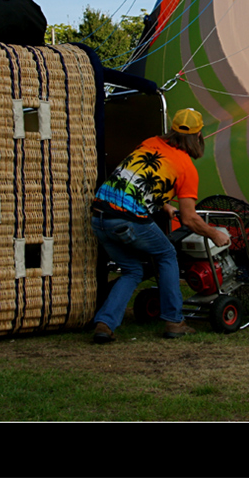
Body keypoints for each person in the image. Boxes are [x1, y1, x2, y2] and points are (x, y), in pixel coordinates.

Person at [90, 108, 230, 343]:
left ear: (172, 129)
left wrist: (164, 205)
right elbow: (189, 219)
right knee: (166, 254)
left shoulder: (150, 143)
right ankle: (174, 322)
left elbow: (138, 178)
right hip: (128, 219)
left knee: (132, 270)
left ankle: (104, 324)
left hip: (99, 215)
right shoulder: (186, 167)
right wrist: (214, 234)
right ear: (198, 136)